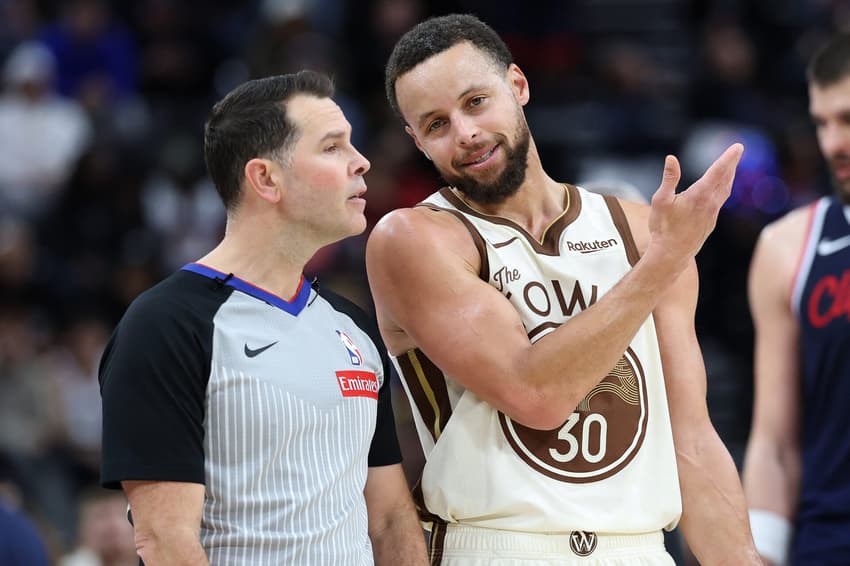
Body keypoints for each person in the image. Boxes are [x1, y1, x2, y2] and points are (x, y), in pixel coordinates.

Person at [367, 14, 761, 565]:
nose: (465, 133)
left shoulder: (640, 229)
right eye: (435, 124)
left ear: (518, 86)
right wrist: (662, 263)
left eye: (476, 102)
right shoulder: (414, 239)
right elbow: (536, 396)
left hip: (639, 547)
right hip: (502, 545)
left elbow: (692, 442)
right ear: (416, 141)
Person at [98, 70, 427, 565]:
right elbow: (165, 541)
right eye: (333, 148)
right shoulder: (164, 325)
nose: (361, 162)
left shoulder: (354, 326)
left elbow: (388, 518)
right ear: (265, 178)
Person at [743, 32, 850, 565]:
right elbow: (774, 443)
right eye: (822, 122)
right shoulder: (789, 247)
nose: (832, 144)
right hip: (827, 543)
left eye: (847, 119)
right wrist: (762, 554)